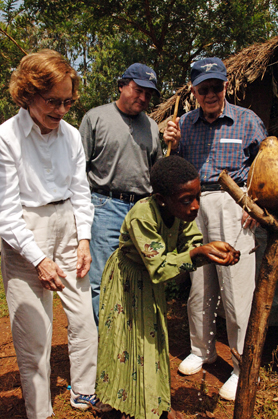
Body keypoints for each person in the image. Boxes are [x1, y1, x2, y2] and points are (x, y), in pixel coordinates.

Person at [95, 156, 240, 419]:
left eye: (198, 196)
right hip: (128, 283)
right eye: (187, 199)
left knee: (153, 341)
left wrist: (213, 252)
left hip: (148, 284)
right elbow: (160, 268)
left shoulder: (181, 212)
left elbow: (191, 242)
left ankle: (153, 403)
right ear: (162, 199)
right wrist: (199, 253)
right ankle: (119, 400)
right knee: (127, 342)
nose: (195, 206)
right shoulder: (142, 216)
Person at [0, 50, 98, 419]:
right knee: (33, 333)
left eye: (67, 102)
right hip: (24, 232)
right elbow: (6, 212)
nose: (60, 110)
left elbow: (81, 191)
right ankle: (39, 411)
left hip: (68, 223)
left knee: (84, 317)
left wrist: (84, 238)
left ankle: (85, 392)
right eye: (53, 101)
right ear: (28, 93)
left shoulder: (71, 136)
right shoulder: (6, 138)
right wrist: (38, 259)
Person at [163, 57, 268, 401]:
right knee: (199, 284)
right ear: (193, 91)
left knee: (236, 289)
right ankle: (202, 348)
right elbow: (172, 166)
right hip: (195, 206)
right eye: (203, 88)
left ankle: (240, 365)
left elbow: (265, 163)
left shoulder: (247, 120)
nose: (210, 93)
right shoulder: (184, 124)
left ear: (226, 86)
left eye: (216, 87)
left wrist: (256, 202)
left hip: (233, 205)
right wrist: (171, 143)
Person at [79, 63, 162, 325]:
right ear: (121, 86)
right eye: (138, 90)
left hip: (142, 210)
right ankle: (104, 340)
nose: (143, 98)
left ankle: (132, 335)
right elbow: (78, 171)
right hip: (105, 206)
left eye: (148, 94)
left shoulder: (153, 127)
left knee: (142, 275)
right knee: (102, 278)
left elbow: (158, 172)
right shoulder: (96, 118)